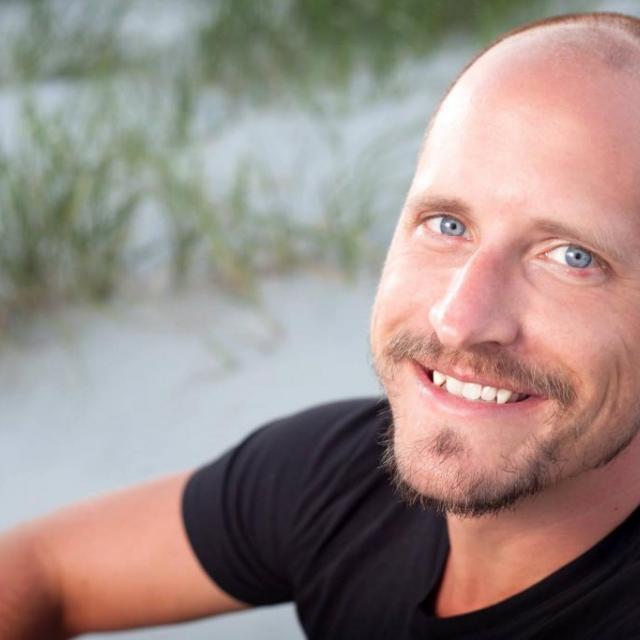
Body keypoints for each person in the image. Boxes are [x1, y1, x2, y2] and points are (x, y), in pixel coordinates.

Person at [3, 10, 640, 639]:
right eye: (447, 225)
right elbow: (42, 570)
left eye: (572, 257)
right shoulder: (339, 478)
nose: (458, 319)